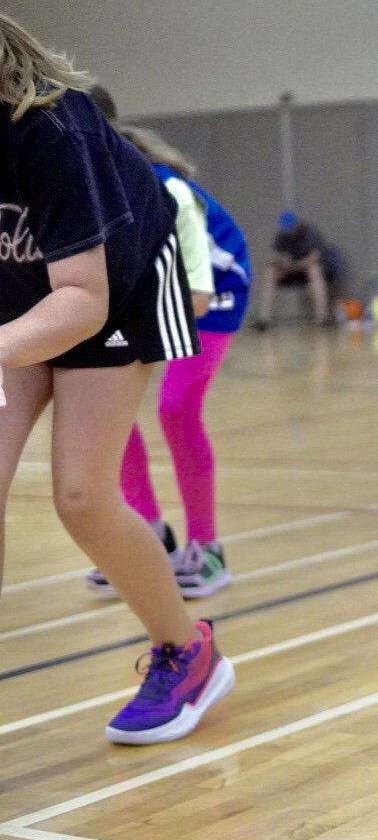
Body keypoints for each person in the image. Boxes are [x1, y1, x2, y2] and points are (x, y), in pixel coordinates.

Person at [0, 12, 234, 743]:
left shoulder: (53, 129)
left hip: (115, 290)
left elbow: (82, 301)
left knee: (82, 494)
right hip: (22, 289)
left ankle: (188, 650)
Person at [84, 88, 251, 599]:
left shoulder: (162, 187)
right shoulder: (81, 188)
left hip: (213, 294)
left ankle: (208, 549)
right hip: (147, 293)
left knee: (176, 408)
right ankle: (149, 534)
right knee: (102, 408)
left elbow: (196, 294)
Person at [253, 210, 330, 328]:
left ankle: (322, 317)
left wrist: (296, 265)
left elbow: (315, 257)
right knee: (270, 272)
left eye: (291, 228)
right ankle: (264, 319)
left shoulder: (310, 233)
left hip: (306, 270)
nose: (289, 232)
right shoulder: (282, 236)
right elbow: (273, 255)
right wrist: (279, 261)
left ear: (297, 224)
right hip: (290, 270)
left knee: (315, 270)